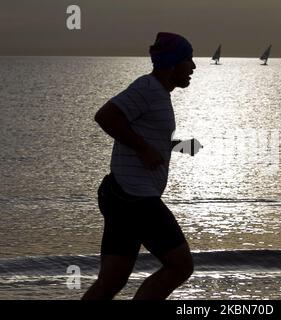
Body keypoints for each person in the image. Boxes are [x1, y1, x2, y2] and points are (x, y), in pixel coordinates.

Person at [82, 32, 201, 300]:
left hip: (121, 196)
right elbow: (106, 116)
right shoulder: (147, 88)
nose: (193, 66)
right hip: (136, 199)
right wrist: (144, 149)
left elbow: (147, 137)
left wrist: (179, 146)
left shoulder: (159, 94)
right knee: (180, 266)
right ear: (172, 63)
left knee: (112, 280)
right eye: (188, 59)